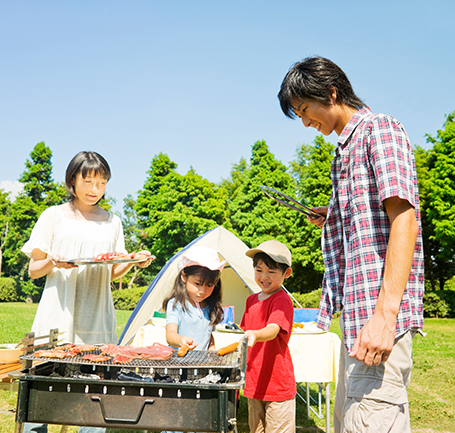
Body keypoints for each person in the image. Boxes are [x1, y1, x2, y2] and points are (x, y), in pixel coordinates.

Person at [278, 56, 425, 432]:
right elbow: (369, 220)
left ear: (330, 92)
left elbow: (404, 219)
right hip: (357, 319)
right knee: (353, 422)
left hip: (377, 316)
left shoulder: (380, 130)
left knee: (371, 420)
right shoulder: (344, 151)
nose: (306, 122)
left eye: (305, 110)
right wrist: (334, 215)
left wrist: (385, 316)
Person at [21, 150, 154, 433]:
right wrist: (52, 261)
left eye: (102, 183)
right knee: (42, 394)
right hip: (58, 314)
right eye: (89, 182)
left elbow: (112, 271)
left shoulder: (112, 221)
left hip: (97, 316)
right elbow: (34, 269)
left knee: (95, 398)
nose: (96, 190)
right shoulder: (53, 216)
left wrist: (132, 261)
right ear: (72, 181)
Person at [161, 246, 225, 433]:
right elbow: (170, 334)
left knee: (199, 413)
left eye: (209, 285)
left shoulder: (210, 306)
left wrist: (213, 351)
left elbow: (208, 335)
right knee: (175, 414)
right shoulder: (176, 304)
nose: (202, 291)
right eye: (197, 283)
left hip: (202, 370)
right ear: (184, 276)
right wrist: (181, 340)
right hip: (177, 369)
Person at [240, 240, 296, 433]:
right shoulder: (250, 301)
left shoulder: (282, 301)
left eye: (271, 272)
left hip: (277, 383)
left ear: (286, 273)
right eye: (259, 270)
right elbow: (245, 332)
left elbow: (272, 329)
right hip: (254, 381)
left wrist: (256, 334)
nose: (264, 277)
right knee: (256, 429)